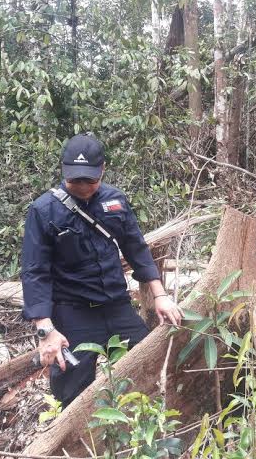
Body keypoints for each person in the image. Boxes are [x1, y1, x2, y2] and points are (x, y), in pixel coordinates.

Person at [21, 132, 183, 407]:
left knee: (148, 369)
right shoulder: (43, 210)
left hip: (117, 307)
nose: (84, 187)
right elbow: (35, 271)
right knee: (72, 395)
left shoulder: (115, 201)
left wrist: (160, 295)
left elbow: (135, 248)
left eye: (91, 180)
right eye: (76, 180)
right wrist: (45, 330)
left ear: (103, 169)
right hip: (73, 314)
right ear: (63, 170)